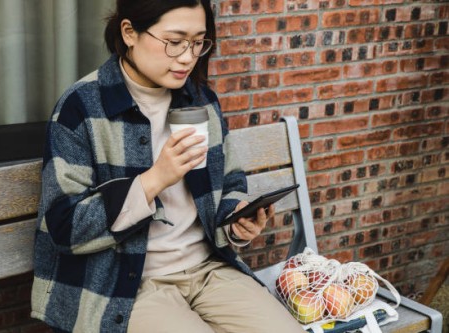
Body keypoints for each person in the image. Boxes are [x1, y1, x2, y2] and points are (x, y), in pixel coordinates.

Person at [31, 0, 305, 332]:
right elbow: (64, 228)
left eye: (198, 42)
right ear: (129, 33)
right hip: (126, 285)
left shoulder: (200, 99)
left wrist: (236, 220)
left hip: (208, 270)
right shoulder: (82, 108)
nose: (188, 57)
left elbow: (230, 181)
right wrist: (153, 180)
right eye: (175, 42)